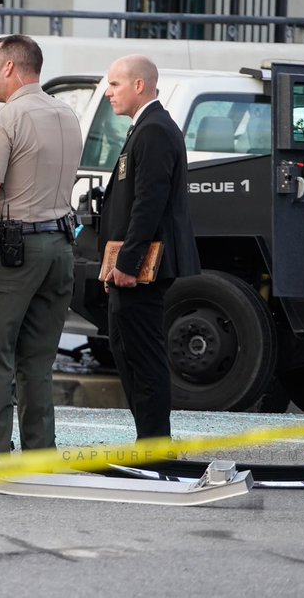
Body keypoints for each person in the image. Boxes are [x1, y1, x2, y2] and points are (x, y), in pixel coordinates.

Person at [0, 35, 82, 453]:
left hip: (13, 253)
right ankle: (40, 451)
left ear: (9, 67)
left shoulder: (2, 122)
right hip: (60, 247)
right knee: (37, 361)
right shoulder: (67, 115)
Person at [98, 54, 200, 440]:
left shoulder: (155, 129)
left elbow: (148, 202)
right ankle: (148, 439)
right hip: (131, 265)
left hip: (143, 268)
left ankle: (154, 444)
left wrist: (127, 261)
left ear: (139, 85)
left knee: (143, 355)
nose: (109, 93)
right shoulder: (145, 127)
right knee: (128, 351)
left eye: (115, 84)